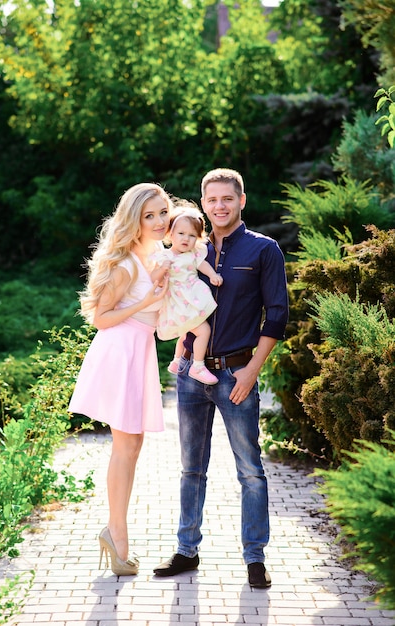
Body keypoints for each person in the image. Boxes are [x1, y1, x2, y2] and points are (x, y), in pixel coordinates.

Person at [153, 168, 289, 588]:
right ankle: (186, 551)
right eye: (211, 200)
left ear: (241, 200)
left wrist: (252, 371)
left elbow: (278, 314)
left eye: (227, 198)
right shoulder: (187, 246)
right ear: (202, 203)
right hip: (192, 376)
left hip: (237, 374)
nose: (219, 206)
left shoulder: (264, 250)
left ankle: (254, 559)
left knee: (250, 470)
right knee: (191, 469)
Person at [69, 182, 172, 576]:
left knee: (132, 445)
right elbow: (99, 318)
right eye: (150, 216)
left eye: (163, 211)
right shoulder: (127, 263)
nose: (161, 221)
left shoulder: (159, 255)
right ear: (135, 220)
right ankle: (117, 536)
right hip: (120, 351)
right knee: (125, 446)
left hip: (140, 349)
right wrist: (146, 302)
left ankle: (116, 534)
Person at [151, 203, 223, 385]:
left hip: (192, 298)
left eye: (192, 235)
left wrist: (213, 274)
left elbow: (202, 265)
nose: (186, 239)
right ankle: (197, 366)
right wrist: (162, 270)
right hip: (178, 301)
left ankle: (176, 361)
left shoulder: (193, 253)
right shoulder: (165, 256)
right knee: (203, 330)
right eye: (181, 234)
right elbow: (153, 278)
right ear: (170, 234)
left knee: (186, 331)